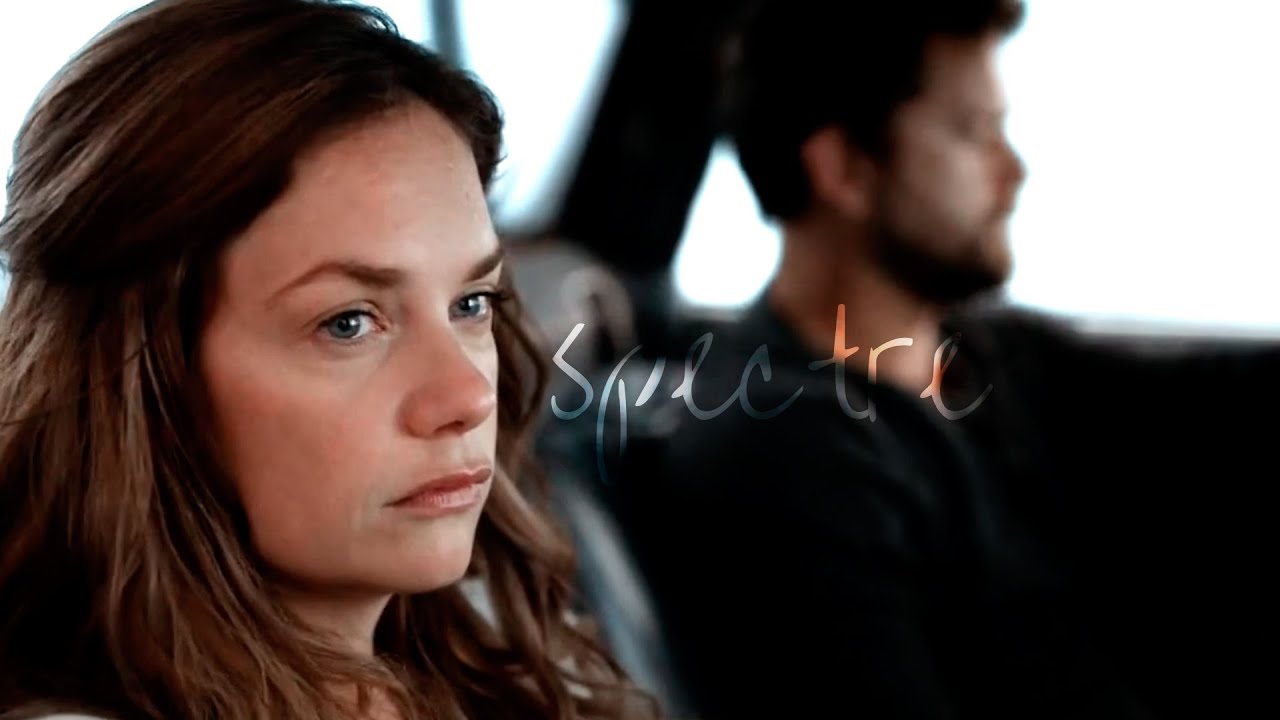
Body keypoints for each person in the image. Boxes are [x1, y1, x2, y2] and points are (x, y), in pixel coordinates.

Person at [0, 1, 661, 719]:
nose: (467, 395)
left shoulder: (514, 660)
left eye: (471, 303)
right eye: (348, 323)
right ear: (145, 379)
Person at [623, 1, 1280, 718]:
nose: (1013, 172)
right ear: (844, 167)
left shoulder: (985, 353)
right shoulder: (787, 458)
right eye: (975, 132)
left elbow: (1210, 402)